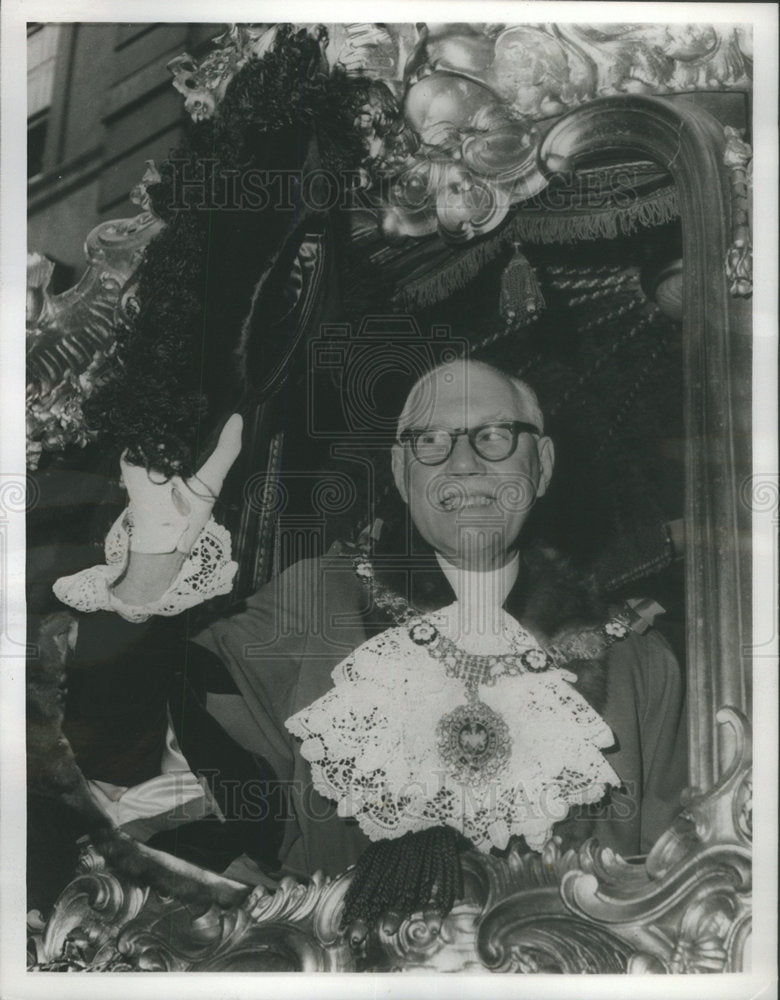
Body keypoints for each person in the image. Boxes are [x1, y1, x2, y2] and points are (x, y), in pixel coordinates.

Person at [48, 359, 687, 921]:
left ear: (541, 464)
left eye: (494, 436)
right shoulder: (308, 608)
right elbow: (129, 755)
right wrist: (150, 573)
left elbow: (681, 888)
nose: (464, 464)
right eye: (431, 442)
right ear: (402, 471)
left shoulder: (636, 665)